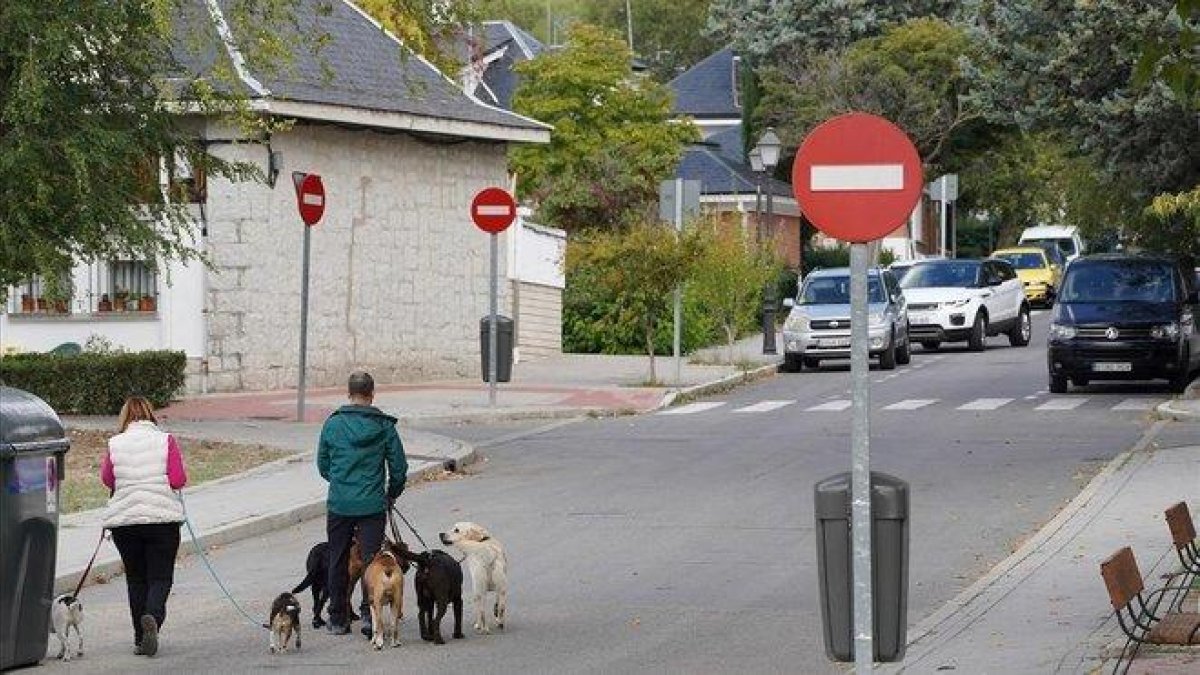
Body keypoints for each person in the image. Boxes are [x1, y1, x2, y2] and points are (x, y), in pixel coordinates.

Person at [317, 371, 408, 638]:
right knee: (371, 562)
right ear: (371, 394)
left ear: (348, 393)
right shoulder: (383, 427)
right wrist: (392, 493)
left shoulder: (332, 425)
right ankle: (370, 615)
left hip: (340, 504)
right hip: (371, 504)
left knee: (337, 558)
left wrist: (339, 483)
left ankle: (337, 619)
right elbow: (399, 467)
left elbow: (323, 464)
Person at [100, 396, 188, 657]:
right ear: (151, 414)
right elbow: (178, 478)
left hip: (125, 523)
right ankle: (152, 617)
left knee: (136, 579)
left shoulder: (114, 443)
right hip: (161, 520)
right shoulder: (165, 440)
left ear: (125, 416)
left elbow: (107, 478)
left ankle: (140, 638)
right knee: (160, 577)